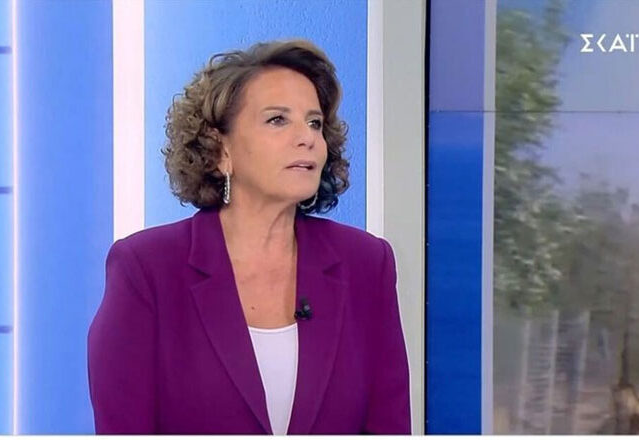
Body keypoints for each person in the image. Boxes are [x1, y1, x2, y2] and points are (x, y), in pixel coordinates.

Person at [87, 39, 410, 435]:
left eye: (314, 123)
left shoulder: (366, 264)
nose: (307, 137)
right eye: (278, 120)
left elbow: (389, 425)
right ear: (220, 149)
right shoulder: (147, 268)